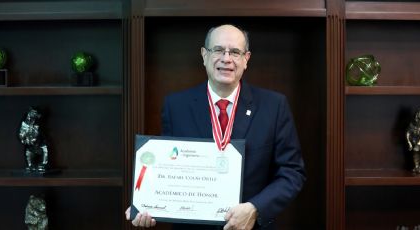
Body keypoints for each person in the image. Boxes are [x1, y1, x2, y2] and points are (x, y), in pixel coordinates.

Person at [125, 24, 306, 230]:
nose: (226, 59)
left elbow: (292, 172)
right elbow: (168, 165)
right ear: (204, 55)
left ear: (246, 59)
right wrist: (148, 204)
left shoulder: (274, 106)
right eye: (218, 50)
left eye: (235, 52)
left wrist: (256, 208)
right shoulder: (176, 106)